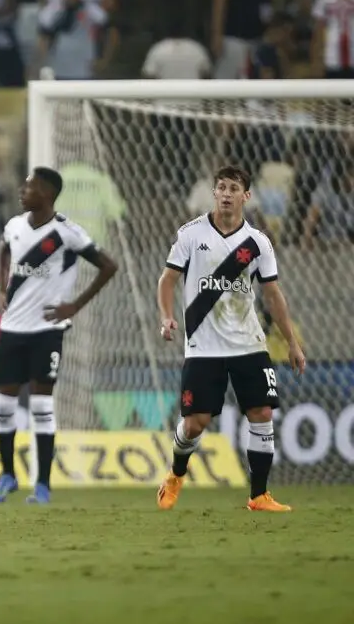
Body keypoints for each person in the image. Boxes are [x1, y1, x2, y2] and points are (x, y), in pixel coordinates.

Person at [157, 166, 305, 512]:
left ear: (246, 196)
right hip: (203, 346)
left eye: (233, 188)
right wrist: (166, 317)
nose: (225, 193)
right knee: (196, 423)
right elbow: (166, 281)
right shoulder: (191, 234)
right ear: (214, 193)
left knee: (262, 411)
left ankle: (259, 496)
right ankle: (176, 476)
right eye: (220, 187)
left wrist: (293, 343)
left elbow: (272, 295)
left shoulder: (258, 243)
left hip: (248, 343)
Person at [0, 168, 119, 504]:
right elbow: (3, 249)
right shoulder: (15, 226)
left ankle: (42, 484)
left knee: (42, 406)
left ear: (46, 192)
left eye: (29, 185)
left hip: (46, 331)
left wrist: (74, 305)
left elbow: (109, 265)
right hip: (11, 329)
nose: (22, 189)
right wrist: (2, 287)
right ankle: (7, 476)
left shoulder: (67, 232)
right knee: (3, 405)